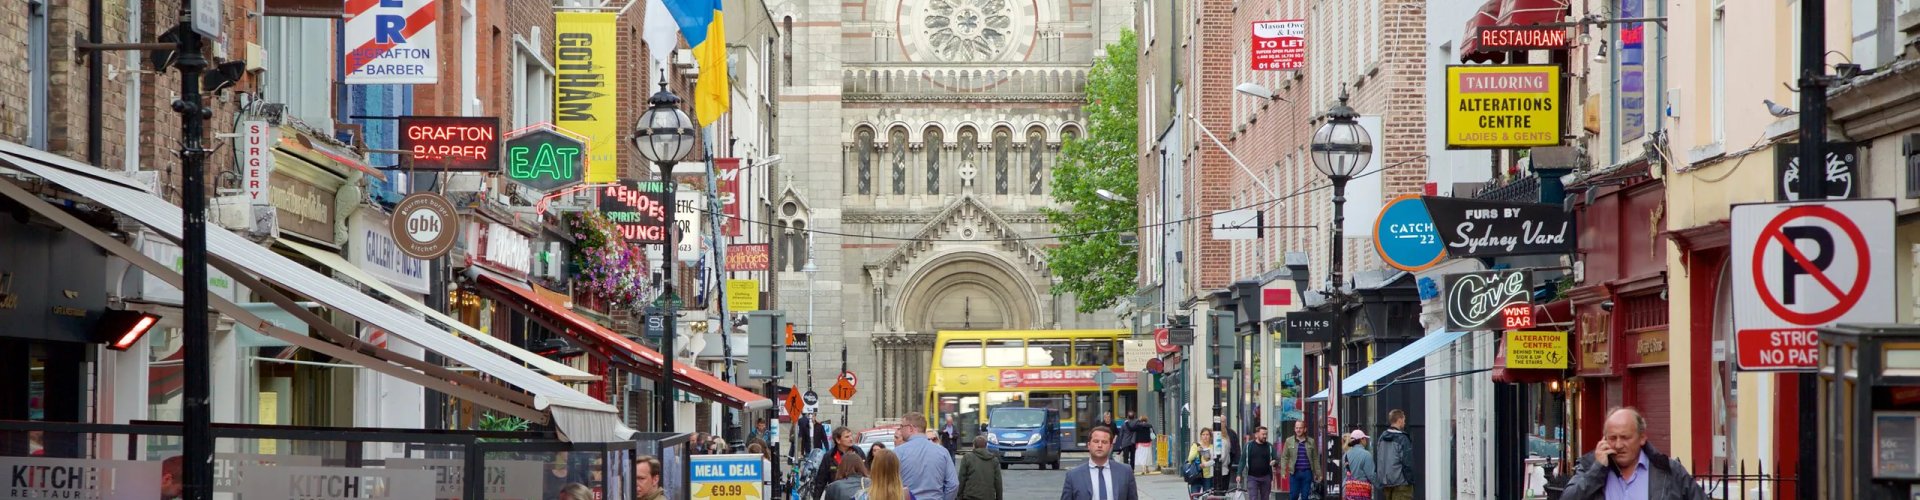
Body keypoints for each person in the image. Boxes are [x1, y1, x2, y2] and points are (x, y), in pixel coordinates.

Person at [1560, 407, 1709, 500]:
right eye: (1612, 438)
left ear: (1642, 438)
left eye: (1625, 437)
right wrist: (1597, 469)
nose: (1618, 445)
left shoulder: (1669, 470)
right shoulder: (1590, 468)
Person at [893, 412, 959, 500]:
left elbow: (889, 485)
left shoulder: (898, 452)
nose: (900, 430)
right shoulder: (942, 452)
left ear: (911, 428)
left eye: (902, 426)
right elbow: (953, 484)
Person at [1061, 425, 1137, 500]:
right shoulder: (1073, 476)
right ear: (1089, 445)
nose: (1100, 445)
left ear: (1110, 447)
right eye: (1096, 441)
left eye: (1104, 442)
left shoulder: (1125, 472)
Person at [812, 426, 870, 500]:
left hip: (856, 494)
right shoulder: (829, 456)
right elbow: (820, 481)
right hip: (837, 494)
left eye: (851, 436)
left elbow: (866, 471)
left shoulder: (858, 452)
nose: (851, 439)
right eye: (847, 437)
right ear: (838, 440)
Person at [1376, 409, 1416, 500]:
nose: (1404, 423)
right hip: (1401, 483)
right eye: (1404, 420)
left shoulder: (1382, 438)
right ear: (1399, 420)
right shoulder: (1403, 438)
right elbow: (1407, 462)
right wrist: (1410, 480)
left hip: (1386, 483)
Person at [1279, 421, 1323, 500]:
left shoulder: (1311, 441)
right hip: (1294, 473)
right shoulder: (1289, 441)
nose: (1298, 430)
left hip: (1307, 472)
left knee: (1305, 496)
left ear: (1305, 429)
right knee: (1294, 495)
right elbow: (1284, 457)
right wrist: (1283, 471)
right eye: (1296, 428)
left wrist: (1318, 473)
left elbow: (1315, 458)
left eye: (1300, 428)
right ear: (1294, 429)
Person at [957, 435, 1002, 500]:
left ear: (974, 446)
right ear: (986, 446)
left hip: (970, 496)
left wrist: (959, 496)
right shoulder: (994, 460)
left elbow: (962, 479)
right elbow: (998, 482)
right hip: (988, 497)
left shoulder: (967, 458)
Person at [1185, 428, 1222, 496]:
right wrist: (1197, 450)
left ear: (1210, 437)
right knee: (1195, 495)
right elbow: (1190, 458)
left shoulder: (1212, 447)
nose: (1205, 436)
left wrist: (1206, 462)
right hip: (1196, 474)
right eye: (1203, 434)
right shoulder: (1196, 445)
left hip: (1208, 475)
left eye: (1207, 434)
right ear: (1201, 436)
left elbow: (1215, 460)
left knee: (1207, 495)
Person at [1244, 426, 1275, 500]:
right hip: (1252, 477)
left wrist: (1275, 462)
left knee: (1265, 498)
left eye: (1266, 434)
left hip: (1266, 477)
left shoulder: (1269, 446)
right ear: (1256, 435)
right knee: (1253, 497)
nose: (1265, 436)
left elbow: (1276, 458)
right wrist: (1238, 474)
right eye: (1263, 434)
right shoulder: (1249, 446)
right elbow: (1242, 460)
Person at [1342, 430, 1376, 499]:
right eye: (1365, 438)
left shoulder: (1345, 455)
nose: (1366, 440)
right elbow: (1371, 475)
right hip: (1363, 493)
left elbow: (1344, 474)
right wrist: (1381, 485)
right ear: (1361, 440)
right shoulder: (1366, 455)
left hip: (1348, 492)